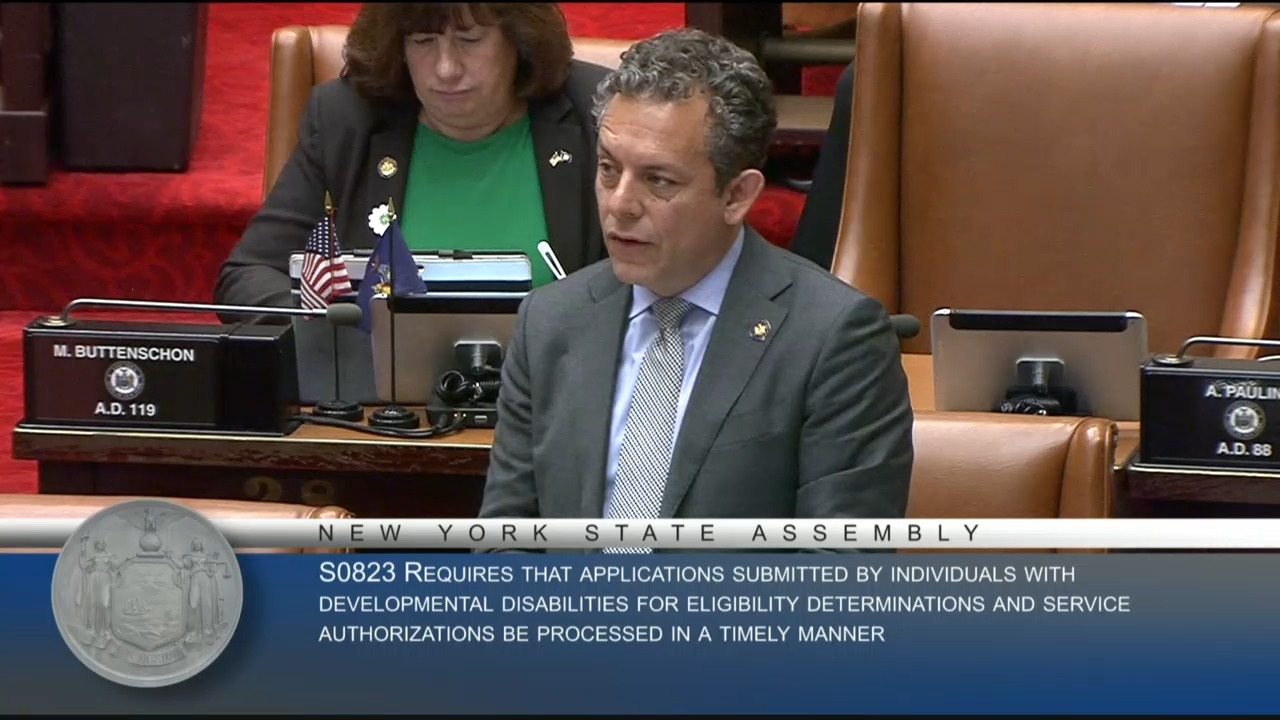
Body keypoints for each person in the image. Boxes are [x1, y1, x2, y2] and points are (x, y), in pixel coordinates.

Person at [478, 28, 913, 538]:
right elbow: (507, 539)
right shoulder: (551, 321)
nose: (620, 203)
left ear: (737, 196)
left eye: (658, 180)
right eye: (608, 169)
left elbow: (838, 568)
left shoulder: (833, 339)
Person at [214, 3, 610, 315]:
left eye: (470, 39)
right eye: (423, 41)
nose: (446, 68)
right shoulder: (348, 120)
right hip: (377, 390)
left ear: (519, 41)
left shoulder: (597, 116)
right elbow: (248, 277)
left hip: (552, 387)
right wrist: (338, 335)